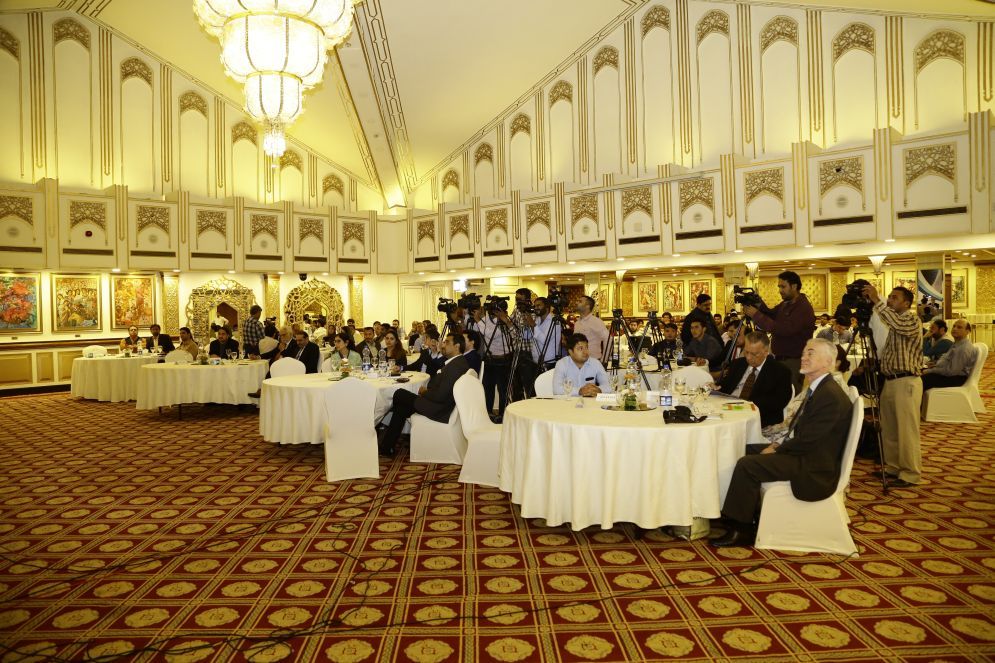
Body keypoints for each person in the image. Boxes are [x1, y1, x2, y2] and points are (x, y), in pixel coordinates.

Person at [710, 338, 852, 548]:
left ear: (828, 361)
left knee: (747, 464)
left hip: (813, 465)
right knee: (744, 449)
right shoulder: (821, 388)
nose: (803, 357)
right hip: (807, 453)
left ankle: (741, 529)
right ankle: (741, 511)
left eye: (810, 353)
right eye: (803, 352)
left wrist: (777, 448)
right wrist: (777, 446)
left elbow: (808, 440)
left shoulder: (829, 395)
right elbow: (805, 434)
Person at [862, 283, 923, 488]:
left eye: (894, 297)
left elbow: (896, 322)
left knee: (906, 430)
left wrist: (876, 300)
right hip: (890, 380)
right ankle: (894, 467)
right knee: (889, 428)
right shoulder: (893, 324)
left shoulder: (911, 320)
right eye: (889, 296)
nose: (889, 300)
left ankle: (910, 473)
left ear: (906, 303)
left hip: (906, 381)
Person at [378, 333, 470, 456]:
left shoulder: (455, 366)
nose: (443, 345)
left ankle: (381, 429)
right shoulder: (458, 362)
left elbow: (440, 396)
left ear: (457, 346)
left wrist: (424, 392)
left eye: (446, 342)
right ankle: (387, 446)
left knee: (399, 394)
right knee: (401, 405)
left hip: (439, 409)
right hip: (441, 404)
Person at [742, 271, 816, 392]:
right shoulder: (786, 304)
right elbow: (771, 314)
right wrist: (758, 303)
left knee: (789, 393)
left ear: (794, 286)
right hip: (781, 358)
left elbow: (784, 329)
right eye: (779, 287)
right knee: (778, 392)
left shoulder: (803, 307)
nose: (780, 290)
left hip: (794, 360)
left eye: (783, 286)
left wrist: (756, 315)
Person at [717, 331, 793, 428]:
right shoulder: (737, 364)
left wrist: (744, 406)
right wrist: (715, 387)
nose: (748, 357)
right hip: (728, 411)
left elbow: (778, 401)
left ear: (766, 352)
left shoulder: (780, 371)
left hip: (757, 418)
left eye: (754, 354)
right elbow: (725, 386)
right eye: (746, 352)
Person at [922, 319, 976, 391]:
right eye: (954, 326)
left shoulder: (963, 348)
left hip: (956, 378)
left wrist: (932, 370)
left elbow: (951, 371)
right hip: (951, 374)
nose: (955, 329)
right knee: (920, 374)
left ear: (967, 331)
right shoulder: (958, 343)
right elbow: (948, 360)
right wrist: (936, 364)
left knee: (920, 381)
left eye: (959, 327)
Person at [573, 296, 609, 363]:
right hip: (579, 361)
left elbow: (608, 339)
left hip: (593, 361)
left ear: (587, 306)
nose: (576, 303)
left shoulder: (596, 322)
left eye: (580, 301)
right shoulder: (577, 323)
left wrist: (604, 359)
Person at [530, 297, 561, 371]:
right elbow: (527, 336)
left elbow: (544, 340)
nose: (536, 308)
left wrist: (533, 325)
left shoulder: (554, 321)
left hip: (548, 363)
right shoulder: (537, 320)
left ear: (547, 307)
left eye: (538, 305)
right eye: (535, 306)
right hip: (536, 361)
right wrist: (527, 326)